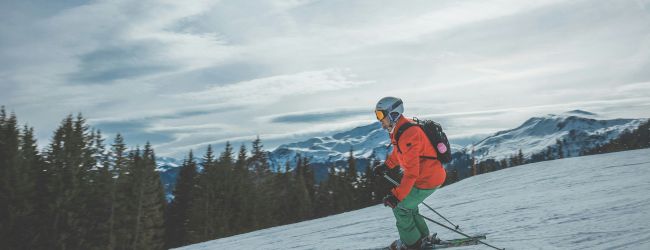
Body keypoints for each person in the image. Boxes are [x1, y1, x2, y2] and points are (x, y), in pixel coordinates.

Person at [373, 97, 447, 250]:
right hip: (426, 177)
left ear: (393, 114)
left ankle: (412, 244)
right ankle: (422, 239)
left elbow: (412, 173)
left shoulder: (408, 134)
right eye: (377, 115)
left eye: (381, 115)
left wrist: (397, 196)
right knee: (409, 207)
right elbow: (398, 153)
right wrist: (386, 166)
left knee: (401, 208)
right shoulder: (399, 130)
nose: (379, 120)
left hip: (428, 179)